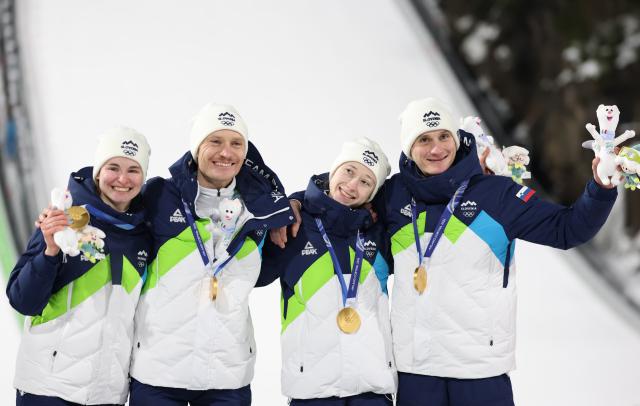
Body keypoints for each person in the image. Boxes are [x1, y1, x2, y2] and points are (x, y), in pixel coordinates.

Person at [381, 98, 618, 406]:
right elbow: (341, 208)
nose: (436, 148)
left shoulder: (496, 194)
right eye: (423, 139)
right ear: (408, 148)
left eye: (443, 136)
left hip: (480, 370)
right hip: (414, 372)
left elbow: (567, 229)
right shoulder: (392, 195)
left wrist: (601, 187)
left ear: (456, 138)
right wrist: (299, 205)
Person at [129, 103, 294, 406]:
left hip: (227, 376)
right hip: (159, 373)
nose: (226, 152)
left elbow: (265, 274)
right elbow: (114, 217)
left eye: (236, 143)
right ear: (196, 147)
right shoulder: (159, 197)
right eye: (214, 141)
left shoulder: (261, 210)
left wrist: (292, 206)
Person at [7, 127, 152, 406]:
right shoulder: (64, 219)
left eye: (133, 169)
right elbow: (22, 300)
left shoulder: (143, 235)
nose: (122, 179)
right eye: (113, 167)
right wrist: (50, 251)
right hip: (47, 389)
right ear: (98, 172)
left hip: (107, 394)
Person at [258, 138, 395, 405]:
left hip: (372, 387)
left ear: (372, 194)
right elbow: (258, 275)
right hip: (312, 388)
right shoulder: (294, 225)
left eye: (366, 182)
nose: (353, 185)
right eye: (349, 171)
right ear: (333, 171)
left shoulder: (378, 232)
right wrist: (293, 202)